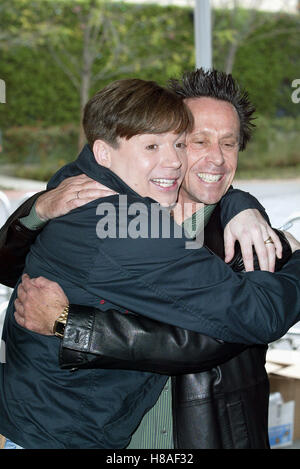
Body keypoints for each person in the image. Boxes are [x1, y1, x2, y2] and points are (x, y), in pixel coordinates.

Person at [1, 76, 300, 449]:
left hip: (201, 433)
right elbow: (12, 266)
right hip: (90, 436)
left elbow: (223, 335)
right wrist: (37, 210)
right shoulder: (97, 203)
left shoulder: (247, 237)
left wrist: (70, 324)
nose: (216, 158)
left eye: (229, 143)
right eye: (197, 141)